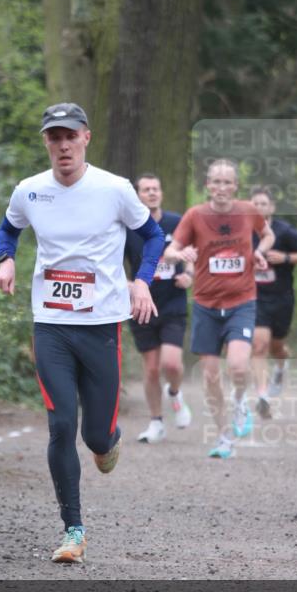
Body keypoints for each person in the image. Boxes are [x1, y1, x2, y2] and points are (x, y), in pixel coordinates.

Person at [0, 103, 163, 563]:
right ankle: (73, 530)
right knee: (60, 423)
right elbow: (6, 231)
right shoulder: (29, 192)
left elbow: (154, 237)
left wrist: (142, 280)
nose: (62, 145)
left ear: (86, 137)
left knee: (96, 437)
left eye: (70, 136)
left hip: (101, 324)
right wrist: (5, 259)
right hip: (50, 324)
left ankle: (109, 440)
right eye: (54, 137)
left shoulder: (115, 189)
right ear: (46, 142)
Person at [163, 159, 275, 459]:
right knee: (211, 376)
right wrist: (180, 252)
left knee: (238, 366)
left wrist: (260, 254)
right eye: (216, 181)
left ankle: (240, 401)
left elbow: (268, 235)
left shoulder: (248, 211)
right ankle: (224, 437)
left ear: (236, 186)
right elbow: (170, 250)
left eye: (227, 182)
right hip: (206, 305)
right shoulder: (195, 215)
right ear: (207, 185)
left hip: (242, 302)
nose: (222, 187)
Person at [124, 174, 193, 443]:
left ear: (161, 193)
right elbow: (115, 263)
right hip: (141, 304)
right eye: (146, 189)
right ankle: (156, 422)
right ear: (138, 195)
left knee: (172, 363)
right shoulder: (129, 228)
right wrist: (128, 284)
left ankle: (175, 393)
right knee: (152, 368)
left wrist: (189, 275)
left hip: (173, 300)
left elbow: (192, 254)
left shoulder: (177, 223)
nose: (152, 193)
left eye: (156, 188)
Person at [249, 187, 297, 418]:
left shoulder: (285, 232)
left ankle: (281, 366)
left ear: (271, 207)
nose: (259, 208)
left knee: (277, 347)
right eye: (254, 204)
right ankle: (263, 395)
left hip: (281, 298)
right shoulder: (244, 232)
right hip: (255, 298)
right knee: (259, 345)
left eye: (263, 204)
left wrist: (286, 258)